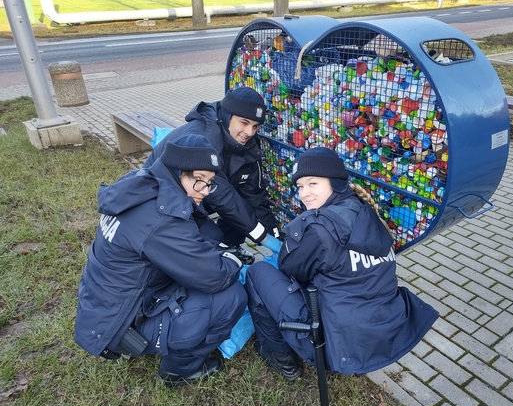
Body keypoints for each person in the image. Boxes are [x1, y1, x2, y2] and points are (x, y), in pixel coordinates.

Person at [244, 147, 439, 380]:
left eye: (312, 183)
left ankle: (280, 357)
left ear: (335, 182)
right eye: (300, 186)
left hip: (335, 343)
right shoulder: (366, 210)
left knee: (258, 272)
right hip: (384, 333)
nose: (304, 193)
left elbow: (289, 268)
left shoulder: (319, 229)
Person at [75, 134, 249, 387]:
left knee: (207, 243)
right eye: (199, 181)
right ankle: (179, 372)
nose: (204, 192)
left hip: (102, 308)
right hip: (117, 325)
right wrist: (234, 260)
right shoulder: (160, 220)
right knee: (230, 297)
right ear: (178, 172)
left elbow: (190, 237)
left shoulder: (141, 183)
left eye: (210, 183)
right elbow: (215, 276)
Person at [144, 87, 283, 262]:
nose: (249, 132)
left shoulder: (248, 144)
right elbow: (223, 197)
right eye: (244, 123)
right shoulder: (202, 139)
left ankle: (230, 250)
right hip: (164, 201)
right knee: (211, 237)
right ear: (227, 115)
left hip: (198, 196)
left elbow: (253, 194)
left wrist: (274, 235)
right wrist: (264, 238)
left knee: (240, 218)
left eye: (255, 126)